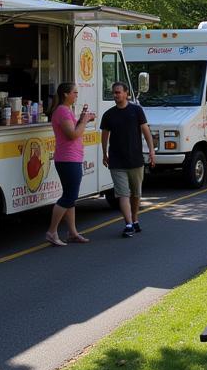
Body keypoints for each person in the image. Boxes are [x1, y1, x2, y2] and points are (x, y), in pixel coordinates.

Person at [100, 81, 155, 238]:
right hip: (117, 161)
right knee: (122, 194)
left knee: (136, 194)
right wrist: (104, 153)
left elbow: (145, 131)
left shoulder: (136, 111)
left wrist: (151, 151)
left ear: (126, 94)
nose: (116, 95)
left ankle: (135, 219)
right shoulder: (109, 114)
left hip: (135, 159)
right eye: (114, 93)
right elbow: (104, 136)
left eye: (118, 92)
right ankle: (129, 224)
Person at [45, 82, 93, 246]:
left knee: (71, 197)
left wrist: (81, 118)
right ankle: (52, 231)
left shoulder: (65, 111)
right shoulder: (62, 111)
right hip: (67, 159)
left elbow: (73, 129)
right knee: (69, 196)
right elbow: (72, 134)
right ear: (66, 94)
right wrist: (85, 121)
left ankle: (72, 232)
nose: (76, 95)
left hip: (71, 158)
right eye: (74, 92)